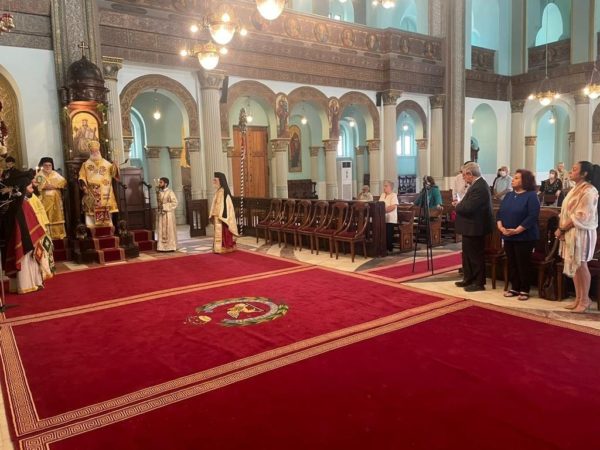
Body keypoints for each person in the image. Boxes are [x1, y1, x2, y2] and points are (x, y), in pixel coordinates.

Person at [555, 161, 600, 313]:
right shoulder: (575, 188)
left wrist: (562, 228)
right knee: (575, 264)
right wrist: (562, 227)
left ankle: (585, 300)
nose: (571, 171)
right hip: (571, 231)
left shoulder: (590, 190)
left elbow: (581, 215)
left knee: (581, 264)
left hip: (582, 232)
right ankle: (578, 298)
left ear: (584, 173)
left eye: (574, 169)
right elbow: (566, 211)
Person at [3, 170, 53, 293]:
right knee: (27, 261)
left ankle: (23, 284)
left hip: (25, 239)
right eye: (29, 185)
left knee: (27, 260)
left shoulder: (19, 202)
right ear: (22, 187)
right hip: (26, 240)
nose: (32, 187)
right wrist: (37, 236)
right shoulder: (22, 204)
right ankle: (27, 285)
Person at [496, 169, 540, 301]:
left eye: (516, 178)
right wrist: (501, 227)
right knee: (512, 262)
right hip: (508, 235)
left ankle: (524, 289)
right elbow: (500, 213)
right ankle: (514, 287)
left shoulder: (531, 196)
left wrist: (517, 230)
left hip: (524, 236)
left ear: (525, 181)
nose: (513, 180)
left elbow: (532, 216)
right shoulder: (509, 195)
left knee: (523, 263)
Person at [453, 162, 493, 291]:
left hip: (475, 227)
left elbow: (470, 207)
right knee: (467, 255)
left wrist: (457, 205)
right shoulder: (475, 185)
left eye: (464, 175)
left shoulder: (480, 186)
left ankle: (479, 283)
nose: (463, 177)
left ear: (470, 174)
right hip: (470, 227)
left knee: (475, 256)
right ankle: (468, 278)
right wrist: (460, 204)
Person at [78, 140, 119, 227]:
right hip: (91, 190)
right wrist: (84, 187)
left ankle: (107, 226)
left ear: (99, 151)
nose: (95, 153)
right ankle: (91, 227)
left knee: (105, 207)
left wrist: (115, 165)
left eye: (96, 151)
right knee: (91, 209)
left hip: (105, 190)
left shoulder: (106, 163)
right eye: (93, 151)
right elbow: (82, 176)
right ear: (90, 152)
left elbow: (113, 174)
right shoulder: (85, 164)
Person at [37, 157, 67, 239]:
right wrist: (44, 186)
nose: (48, 167)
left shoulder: (55, 174)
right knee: (45, 216)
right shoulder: (39, 175)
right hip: (44, 200)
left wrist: (55, 186)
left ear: (52, 166)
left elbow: (64, 182)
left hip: (55, 200)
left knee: (56, 216)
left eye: (49, 165)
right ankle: (47, 235)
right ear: (42, 166)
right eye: (45, 165)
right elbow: (36, 185)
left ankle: (58, 234)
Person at [210, 172, 238, 253]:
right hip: (217, 216)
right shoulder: (218, 191)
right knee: (218, 233)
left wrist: (223, 216)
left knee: (224, 233)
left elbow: (228, 206)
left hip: (223, 217)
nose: (214, 182)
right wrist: (212, 213)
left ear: (220, 181)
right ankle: (218, 247)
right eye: (214, 180)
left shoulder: (224, 192)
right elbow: (215, 204)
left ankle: (226, 247)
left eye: (215, 180)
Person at [156, 177, 178, 252]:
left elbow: (175, 203)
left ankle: (170, 246)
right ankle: (162, 247)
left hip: (168, 214)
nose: (159, 184)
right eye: (159, 182)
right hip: (162, 215)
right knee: (161, 229)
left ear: (165, 184)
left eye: (161, 182)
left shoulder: (170, 192)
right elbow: (159, 203)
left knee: (169, 230)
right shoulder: (160, 192)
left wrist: (164, 206)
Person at [379, 180, 398, 254]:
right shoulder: (382, 195)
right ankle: (382, 247)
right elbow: (379, 204)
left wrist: (383, 211)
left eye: (386, 186)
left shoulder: (393, 195)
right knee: (382, 233)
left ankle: (389, 248)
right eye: (384, 186)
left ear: (390, 187)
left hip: (390, 218)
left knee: (388, 233)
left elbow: (393, 206)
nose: (384, 187)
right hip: (382, 218)